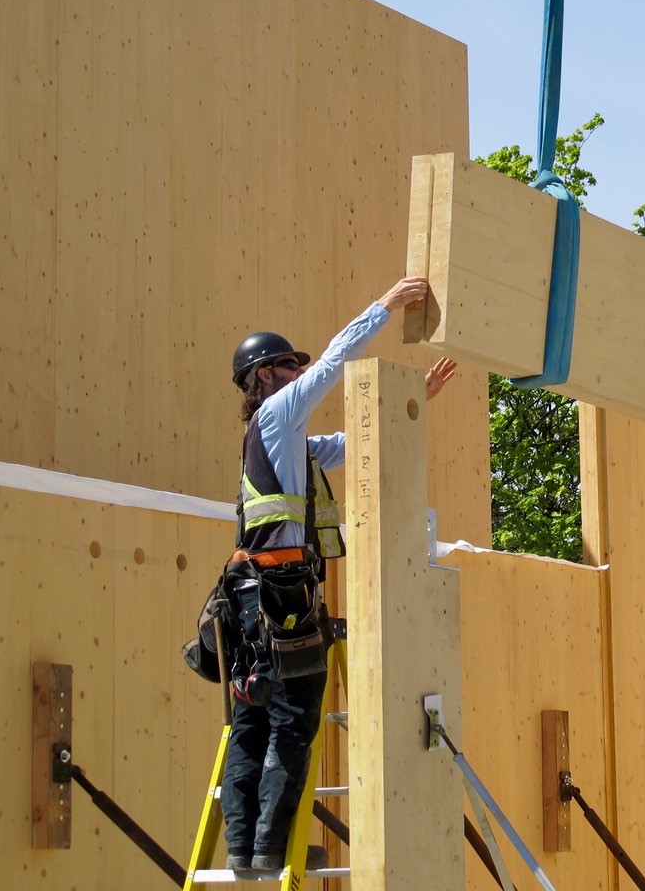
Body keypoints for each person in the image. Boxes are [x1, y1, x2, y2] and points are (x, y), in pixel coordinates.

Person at [222, 276, 457, 872]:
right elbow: (333, 361)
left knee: (252, 720)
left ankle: (245, 848)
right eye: (285, 366)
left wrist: (415, 401)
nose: (298, 374)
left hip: (253, 597)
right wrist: (386, 306)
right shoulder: (277, 415)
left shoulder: (284, 440)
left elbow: (351, 442)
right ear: (263, 378)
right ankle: (271, 850)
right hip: (281, 597)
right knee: (292, 723)